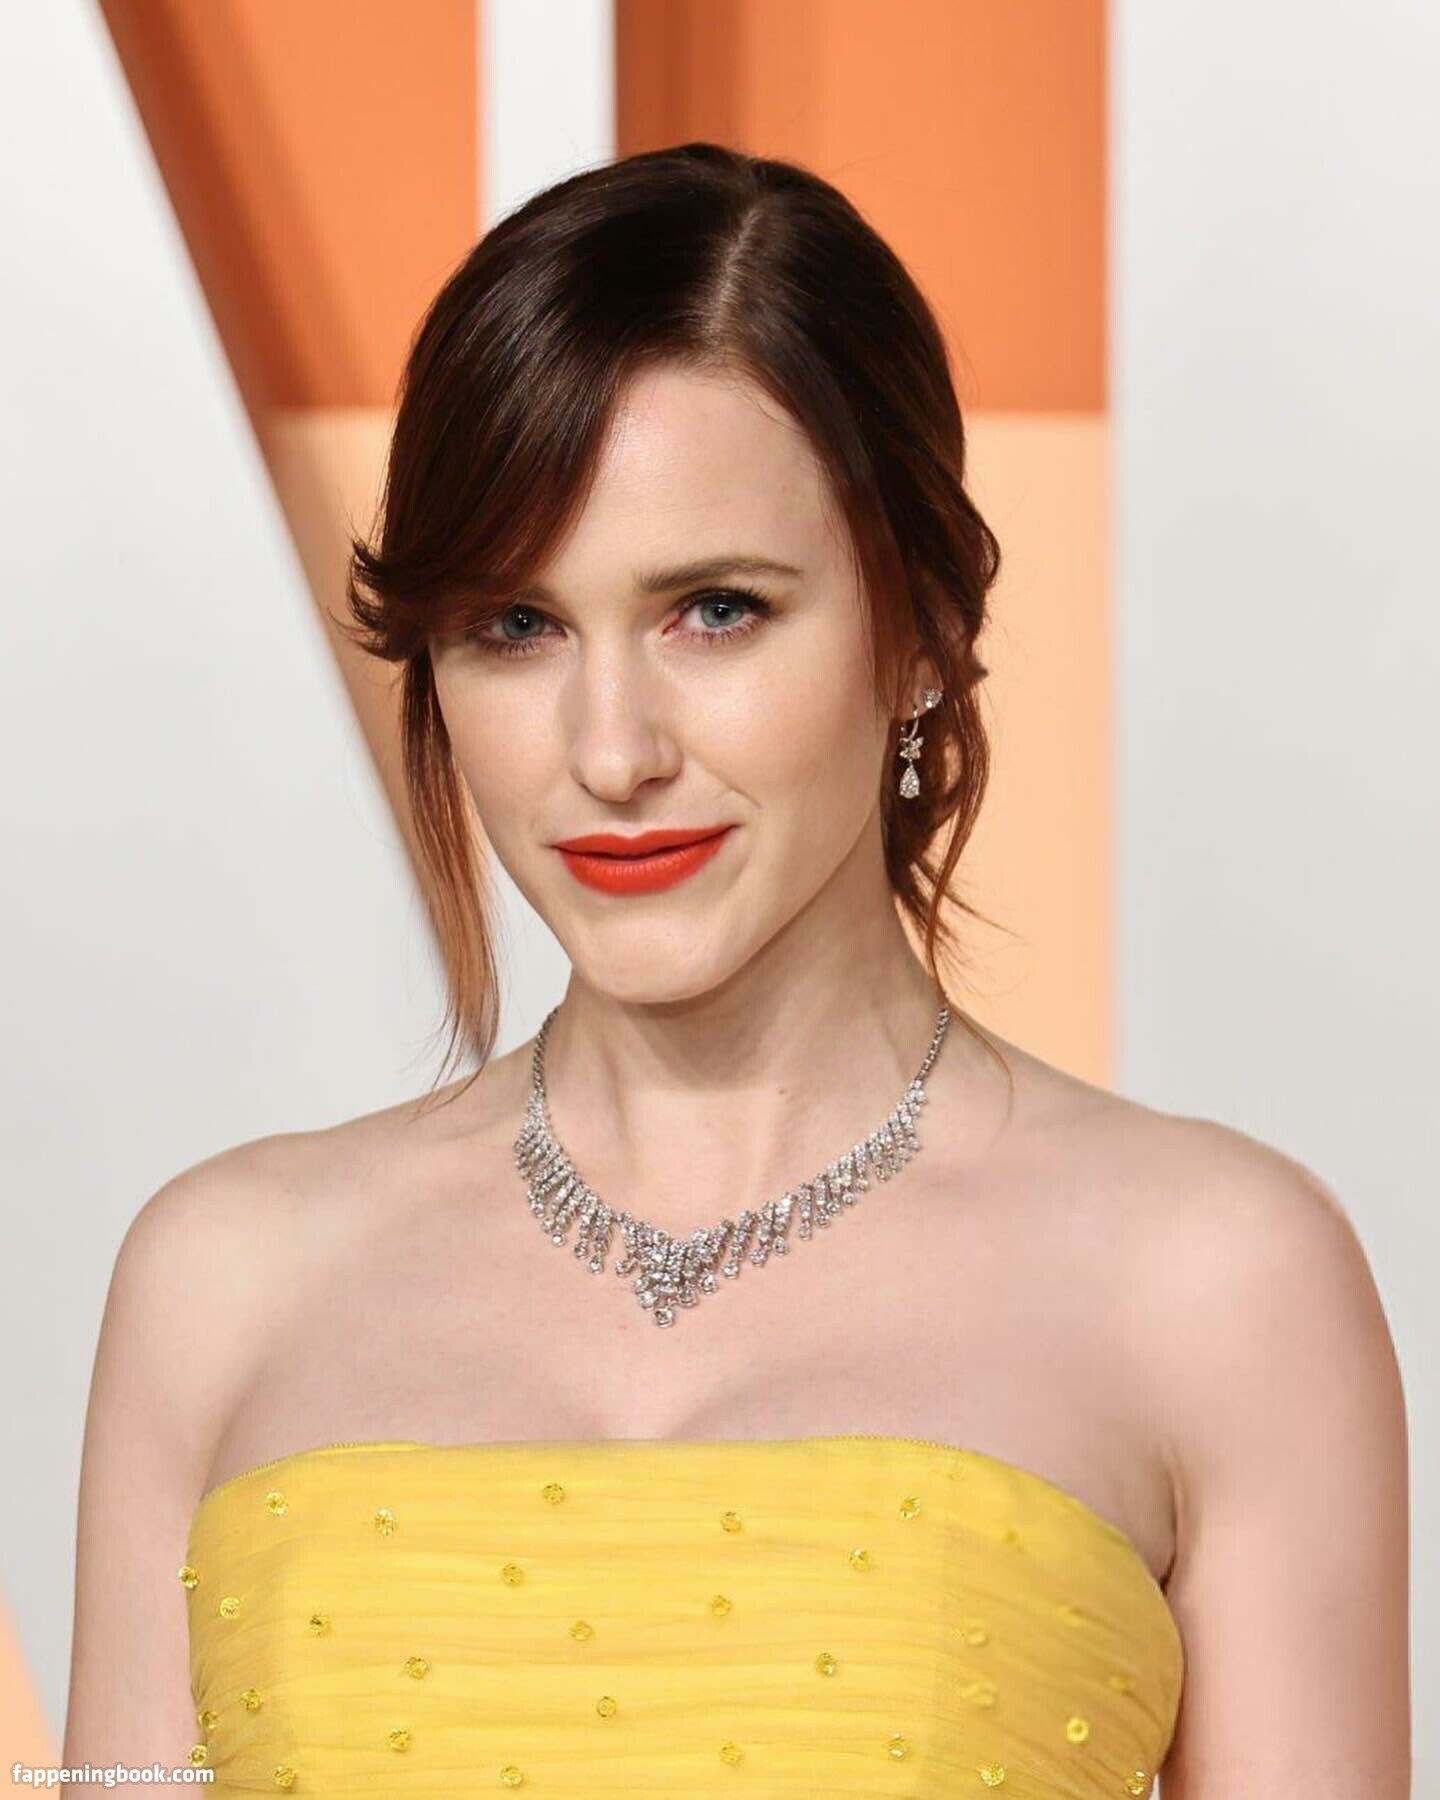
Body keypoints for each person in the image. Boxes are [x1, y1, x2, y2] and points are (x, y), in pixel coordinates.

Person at [63, 143, 1410, 1797]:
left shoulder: (1217, 1282)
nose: (610, 753)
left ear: (918, 632)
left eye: (714, 610)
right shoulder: (222, 1283)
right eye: (515, 627)